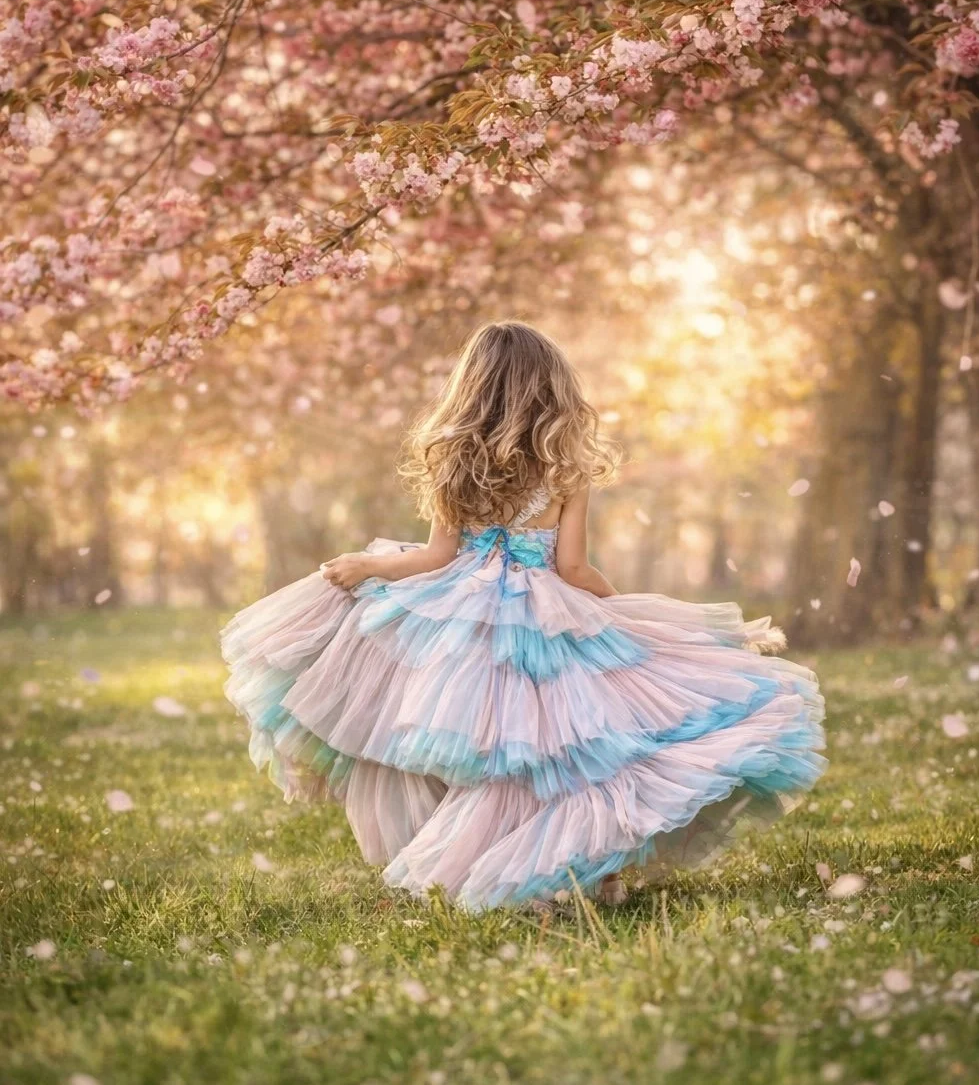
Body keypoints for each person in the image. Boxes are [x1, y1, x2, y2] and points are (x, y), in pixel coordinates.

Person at [222, 321, 826, 911]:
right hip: (545, 614)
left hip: (462, 615)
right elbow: (573, 570)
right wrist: (620, 612)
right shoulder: (566, 472)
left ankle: (500, 862)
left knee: (487, 742)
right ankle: (576, 866)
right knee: (571, 742)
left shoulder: (453, 462)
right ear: (552, 391)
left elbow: (438, 557)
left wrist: (370, 566)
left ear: (472, 390)